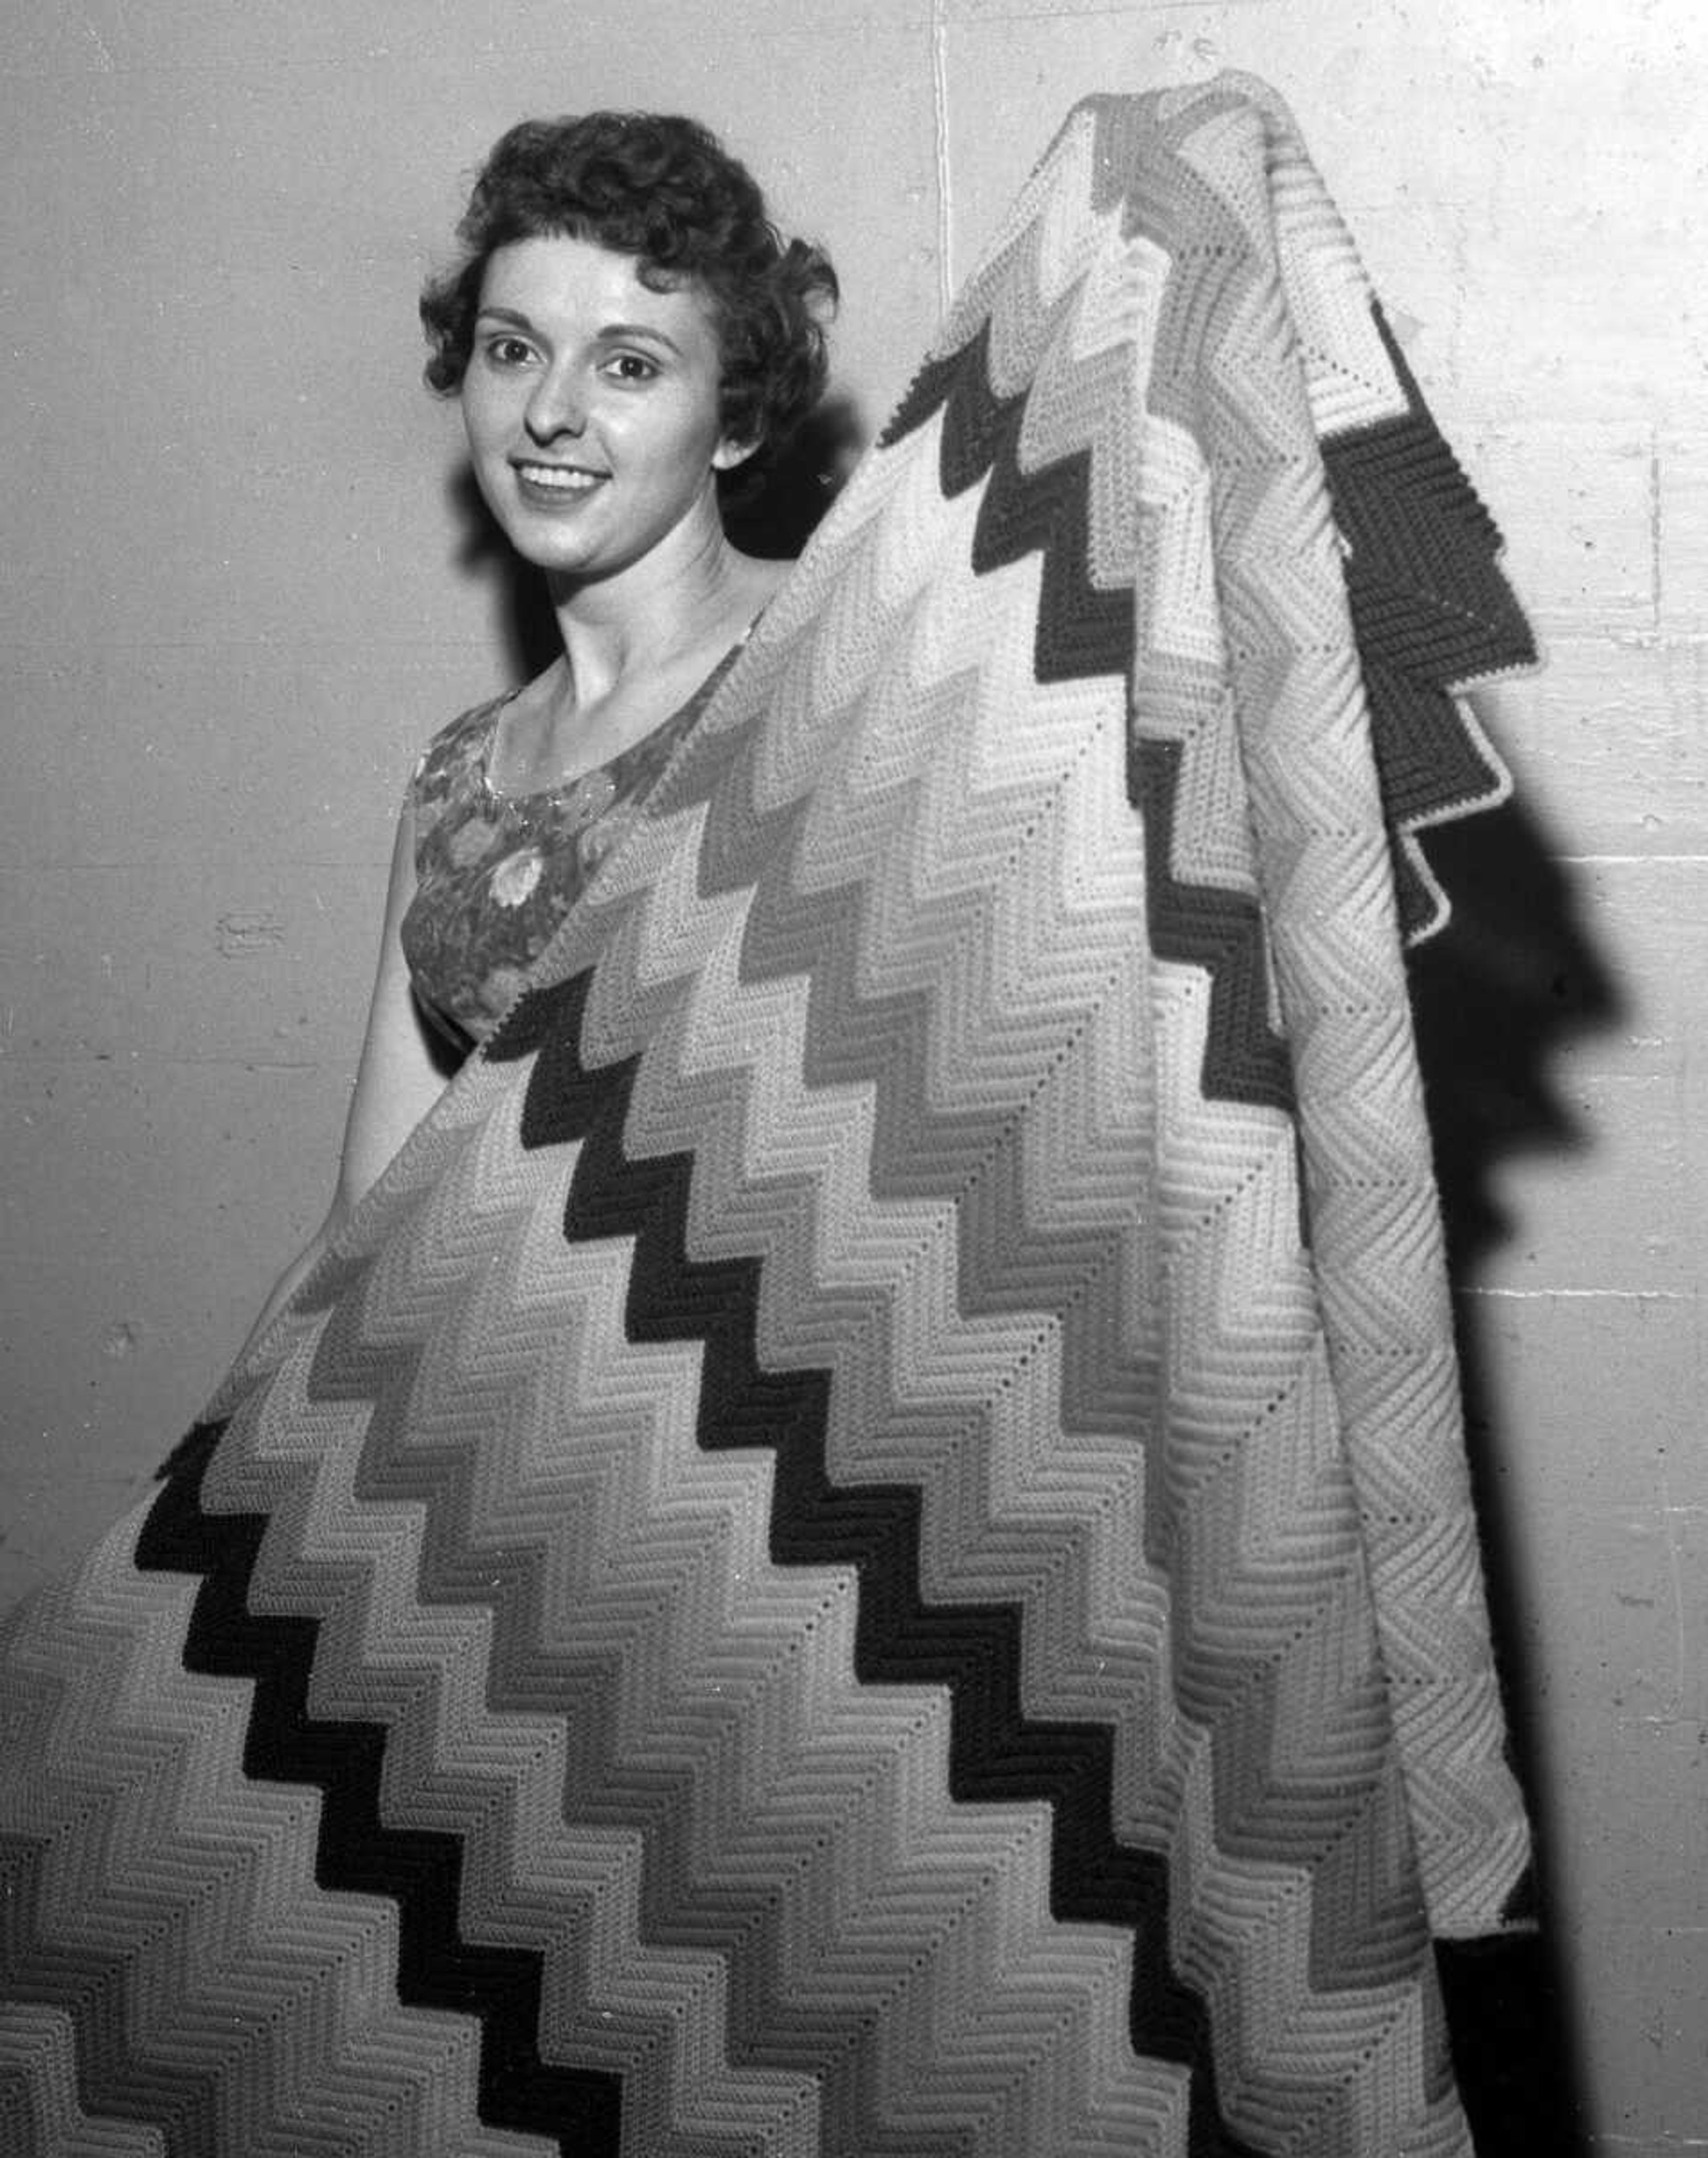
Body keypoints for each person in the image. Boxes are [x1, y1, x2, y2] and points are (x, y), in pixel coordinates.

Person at [243, 111, 838, 1350]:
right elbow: (369, 1218)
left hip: (799, 1371)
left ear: (732, 422)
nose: (550, 413)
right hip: (544, 1413)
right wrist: (182, 1497)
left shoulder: (833, 647)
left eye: (629, 366)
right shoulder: (460, 780)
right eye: (514, 350)